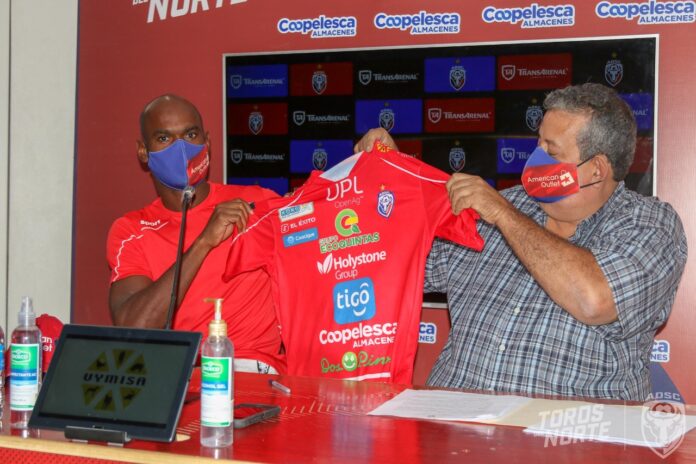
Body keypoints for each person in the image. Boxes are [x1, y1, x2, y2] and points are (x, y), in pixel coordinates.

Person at [355, 83, 687, 400]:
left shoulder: (650, 224)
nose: (535, 158)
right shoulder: (500, 206)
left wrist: (505, 216)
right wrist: (391, 182)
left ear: (596, 169)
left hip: (565, 435)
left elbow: (595, 300)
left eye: (551, 151)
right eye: (538, 143)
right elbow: (400, 262)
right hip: (447, 426)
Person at [106, 94, 285, 374]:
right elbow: (134, 328)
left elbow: (334, 219)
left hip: (250, 372)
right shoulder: (131, 230)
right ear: (143, 152)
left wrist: (362, 158)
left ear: (207, 142)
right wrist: (203, 242)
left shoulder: (257, 203)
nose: (181, 149)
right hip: (176, 375)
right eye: (164, 138)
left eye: (191, 135)